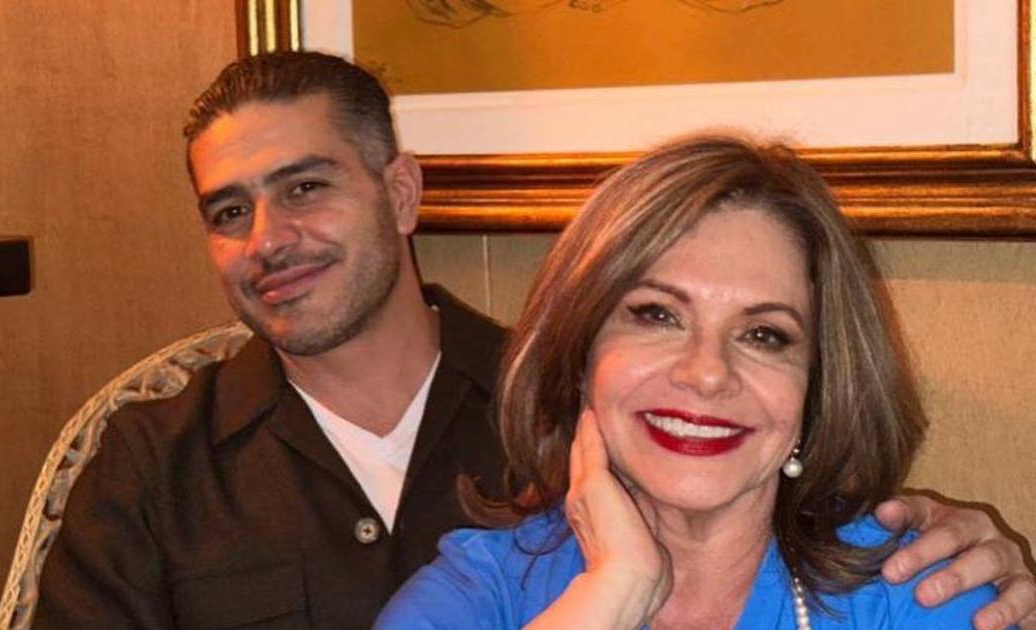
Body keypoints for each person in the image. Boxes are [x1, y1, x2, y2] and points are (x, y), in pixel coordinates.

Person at [33, 52, 1036, 629]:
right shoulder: (149, 463)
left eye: (305, 187)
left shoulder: (575, 401)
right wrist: (615, 593)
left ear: (400, 192)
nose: (268, 240)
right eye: (228, 211)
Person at [374, 134, 1028, 629]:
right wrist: (614, 593)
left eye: (764, 335)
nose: (708, 373)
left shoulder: (919, 596)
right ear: (578, 354)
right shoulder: (471, 597)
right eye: (657, 315)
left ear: (818, 387)